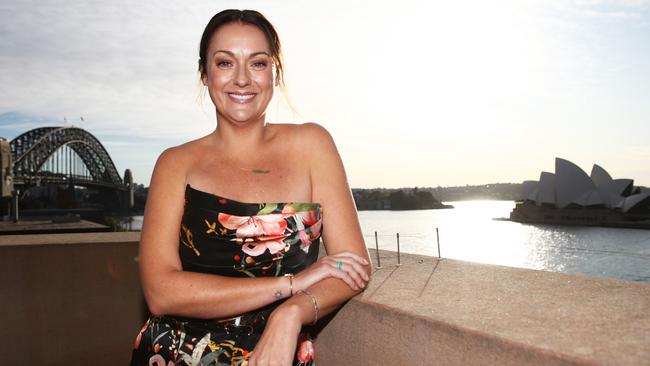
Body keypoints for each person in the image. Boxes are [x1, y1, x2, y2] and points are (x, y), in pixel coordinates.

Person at [129, 9, 371, 366]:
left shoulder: (312, 146)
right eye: (225, 63)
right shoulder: (175, 164)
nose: (242, 80)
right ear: (204, 74)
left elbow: (353, 268)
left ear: (275, 72)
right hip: (177, 354)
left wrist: (290, 315)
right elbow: (161, 293)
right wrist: (290, 285)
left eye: (257, 63)